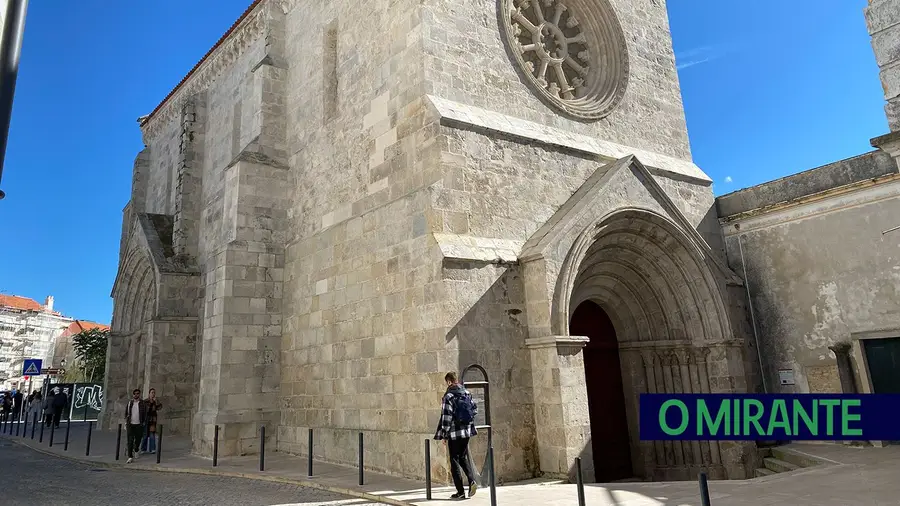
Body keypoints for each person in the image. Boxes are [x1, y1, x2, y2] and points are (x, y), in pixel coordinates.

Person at [433, 371, 478, 500]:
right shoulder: (466, 393)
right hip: (467, 431)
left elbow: (446, 417)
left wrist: (445, 435)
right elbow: (474, 410)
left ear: (448, 381)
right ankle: (471, 481)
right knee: (463, 457)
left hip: (454, 433)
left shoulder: (449, 396)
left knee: (454, 460)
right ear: (456, 380)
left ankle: (460, 491)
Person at [124, 389, 146, 464]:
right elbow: (126, 413)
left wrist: (143, 422)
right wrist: (126, 422)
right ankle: (130, 456)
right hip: (130, 424)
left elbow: (145, 413)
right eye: (135, 394)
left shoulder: (142, 403)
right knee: (130, 440)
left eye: (138, 394)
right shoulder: (130, 403)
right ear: (133, 395)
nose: (136, 395)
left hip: (139, 424)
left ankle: (136, 449)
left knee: (138, 439)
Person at [140, 388, 162, 454]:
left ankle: (152, 449)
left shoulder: (156, 401)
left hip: (153, 420)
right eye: (152, 392)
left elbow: (159, 407)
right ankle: (143, 449)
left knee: (152, 434)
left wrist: (156, 402)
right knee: (145, 435)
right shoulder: (145, 401)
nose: (153, 394)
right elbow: (146, 410)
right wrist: (151, 403)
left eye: (154, 393)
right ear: (149, 394)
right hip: (146, 420)